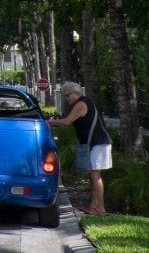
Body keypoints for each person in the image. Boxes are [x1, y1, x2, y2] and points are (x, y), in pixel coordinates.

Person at [47, 81, 111, 215]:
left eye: (68, 95)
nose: (66, 99)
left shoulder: (81, 104)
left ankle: (101, 208)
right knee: (92, 174)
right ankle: (93, 206)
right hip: (95, 143)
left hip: (98, 143)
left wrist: (50, 122)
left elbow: (66, 122)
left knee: (95, 176)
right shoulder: (84, 102)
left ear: (76, 93)